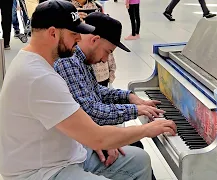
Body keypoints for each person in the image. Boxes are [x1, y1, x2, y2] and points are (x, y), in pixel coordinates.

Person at [0, 1, 177, 180]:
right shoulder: (39, 77)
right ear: (53, 33)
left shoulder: (39, 62)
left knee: (139, 160)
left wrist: (92, 139)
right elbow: (96, 135)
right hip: (42, 171)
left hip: (65, 154)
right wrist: (147, 129)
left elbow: (86, 122)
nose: (79, 39)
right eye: (74, 34)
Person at [54, 12, 163, 179]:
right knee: (137, 152)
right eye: (108, 51)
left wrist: (128, 97)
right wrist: (135, 112)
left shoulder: (81, 59)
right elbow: (90, 110)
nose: (106, 59)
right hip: (72, 145)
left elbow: (95, 91)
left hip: (81, 135)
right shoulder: (68, 62)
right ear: (95, 40)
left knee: (135, 144)